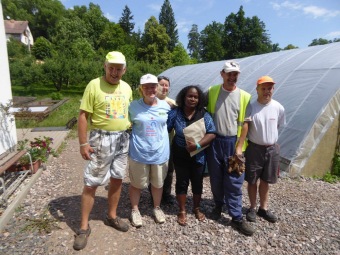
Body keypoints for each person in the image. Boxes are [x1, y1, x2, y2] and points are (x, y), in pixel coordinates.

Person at [73, 51, 132, 250]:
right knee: (92, 183)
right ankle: (83, 227)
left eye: (119, 69)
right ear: (105, 67)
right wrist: (83, 143)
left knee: (117, 178)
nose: (115, 72)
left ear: (124, 69)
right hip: (101, 139)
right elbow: (83, 116)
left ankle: (112, 216)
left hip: (123, 138)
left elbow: (128, 111)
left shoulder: (127, 87)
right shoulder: (94, 85)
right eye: (111, 68)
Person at [206, 61, 254, 236]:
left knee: (234, 181)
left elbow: (246, 124)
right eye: (229, 74)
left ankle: (236, 217)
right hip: (214, 141)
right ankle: (218, 205)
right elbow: (196, 106)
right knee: (216, 178)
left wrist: (239, 146)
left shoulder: (244, 96)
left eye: (235, 74)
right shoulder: (212, 92)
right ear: (222, 74)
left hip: (233, 144)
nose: (232, 77)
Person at [235, 75, 285, 224]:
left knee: (266, 180)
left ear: (273, 89)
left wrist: (269, 140)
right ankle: (252, 207)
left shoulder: (278, 107)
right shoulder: (251, 107)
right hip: (254, 148)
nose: (266, 91)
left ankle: (263, 208)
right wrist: (239, 146)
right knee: (252, 179)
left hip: (272, 149)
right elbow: (246, 126)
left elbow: (277, 126)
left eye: (269, 88)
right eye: (263, 88)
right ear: (257, 90)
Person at [167, 85, 216, 226]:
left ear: (199, 99)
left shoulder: (204, 114)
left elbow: (212, 132)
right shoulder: (176, 113)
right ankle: (182, 210)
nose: (192, 99)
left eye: (195, 97)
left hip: (198, 155)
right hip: (180, 154)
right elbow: (166, 128)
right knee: (182, 181)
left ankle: (196, 208)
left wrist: (198, 145)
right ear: (183, 97)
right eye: (189, 96)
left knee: (197, 181)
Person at [128, 73, 171, 227]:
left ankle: (157, 208)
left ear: (157, 87)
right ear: (141, 89)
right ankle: (135, 209)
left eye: (153, 86)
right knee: (136, 183)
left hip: (160, 152)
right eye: (146, 87)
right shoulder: (133, 107)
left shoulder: (166, 106)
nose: (150, 89)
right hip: (139, 152)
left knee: (158, 183)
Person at [156, 75, 176, 204]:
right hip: (154, 142)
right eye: (161, 84)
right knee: (155, 169)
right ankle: (154, 194)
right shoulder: (150, 100)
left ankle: (166, 194)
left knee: (169, 170)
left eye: (166, 85)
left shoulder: (173, 103)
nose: (164, 87)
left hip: (170, 142)